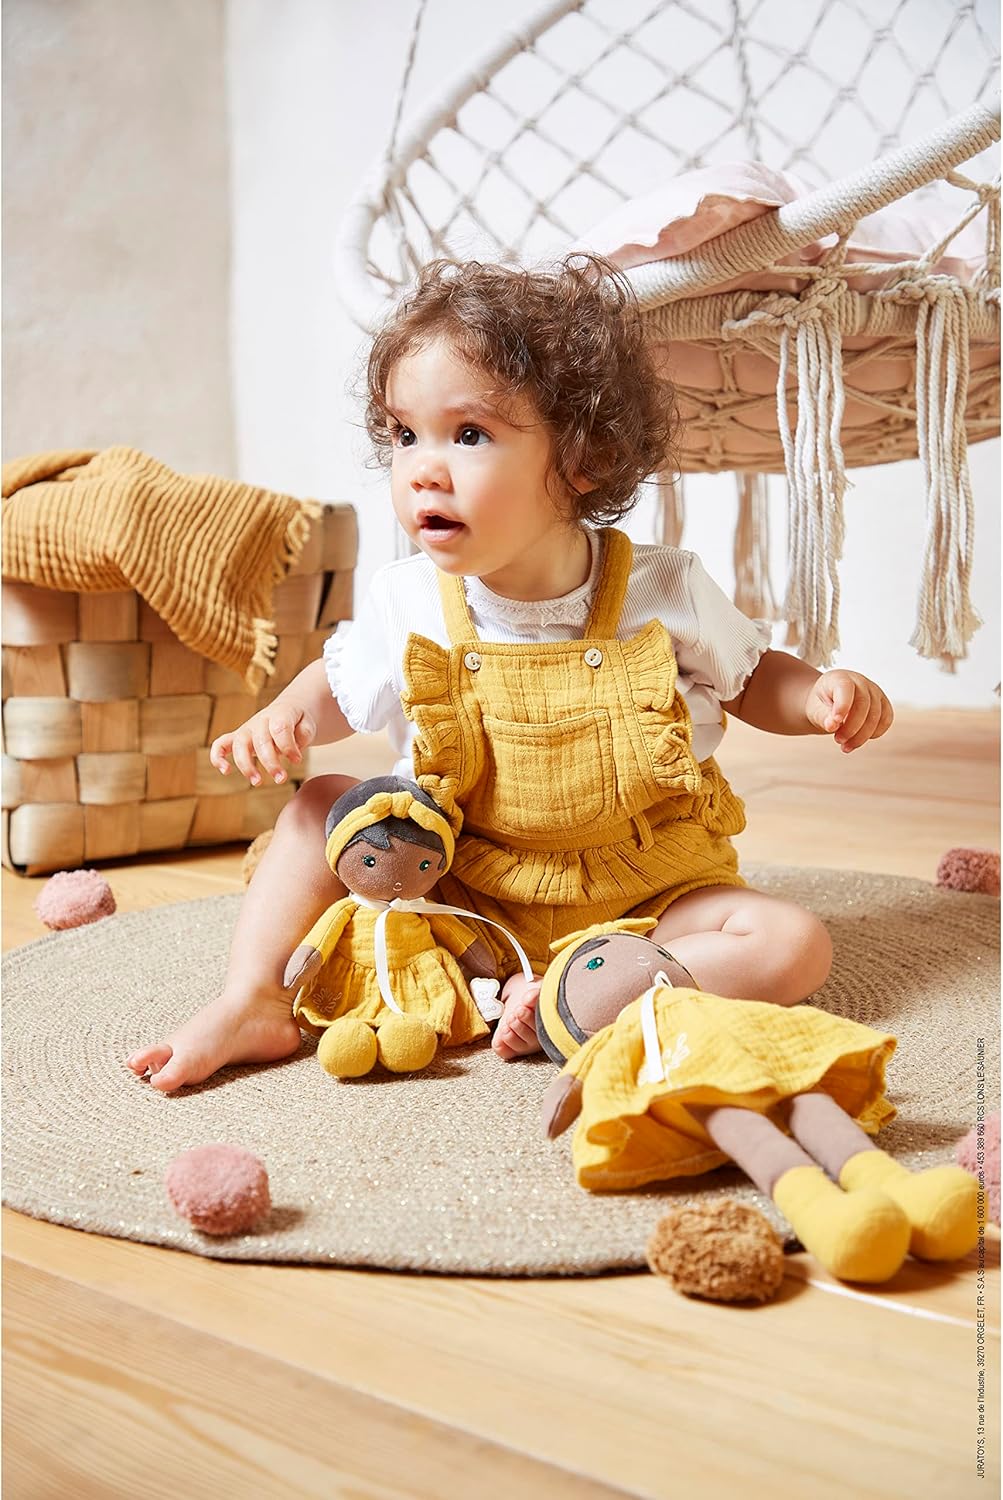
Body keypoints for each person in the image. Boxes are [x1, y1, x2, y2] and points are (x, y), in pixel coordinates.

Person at [127, 255, 892, 1093]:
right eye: (404, 434)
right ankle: (255, 998)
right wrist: (287, 715)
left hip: (650, 897)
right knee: (318, 807)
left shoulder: (662, 586)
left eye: (468, 435)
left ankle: (584, 996)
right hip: (461, 893)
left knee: (791, 944)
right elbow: (340, 691)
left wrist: (815, 695)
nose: (423, 468)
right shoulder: (408, 598)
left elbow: (749, 680)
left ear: (581, 458)